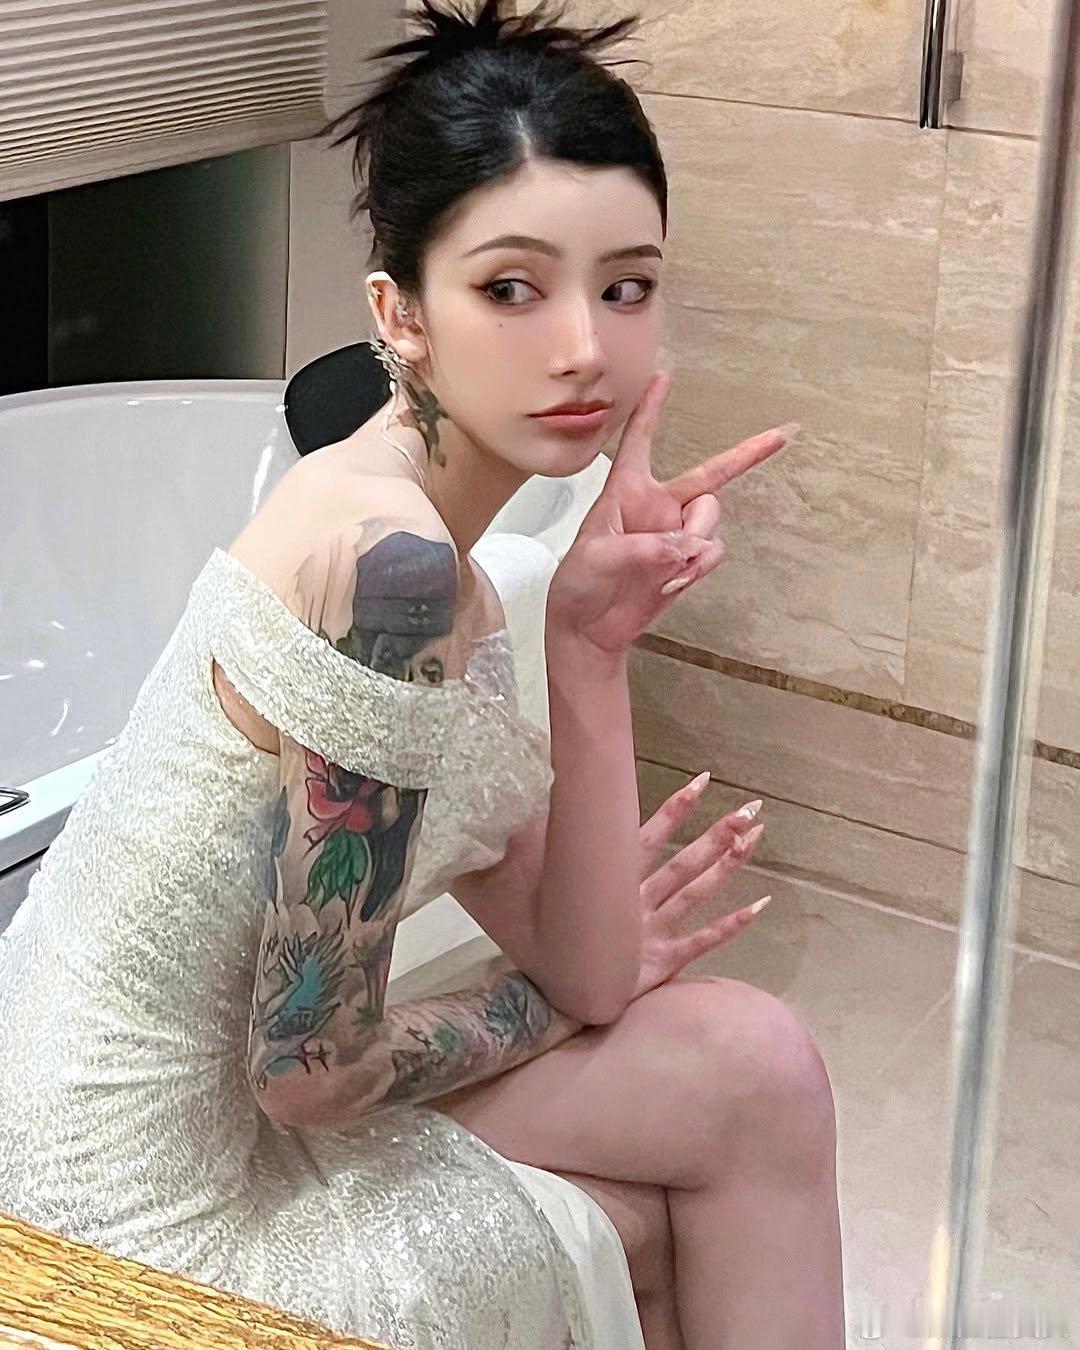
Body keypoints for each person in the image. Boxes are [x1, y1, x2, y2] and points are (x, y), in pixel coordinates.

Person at [0, 1, 845, 1346]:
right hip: (121, 1211)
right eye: (512, 288)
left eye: (624, 285)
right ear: (398, 313)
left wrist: (589, 646)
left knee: (754, 1063)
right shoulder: (385, 566)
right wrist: (529, 1007)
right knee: (654, 1198)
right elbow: (314, 1073)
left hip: (218, 1118)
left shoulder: (450, 564)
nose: (583, 345)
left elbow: (590, 972)